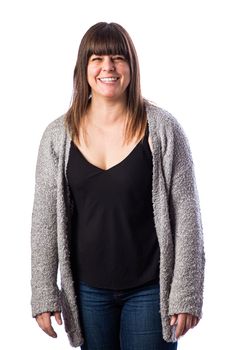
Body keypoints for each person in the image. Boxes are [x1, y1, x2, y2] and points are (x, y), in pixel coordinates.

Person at [30, 22, 205, 350]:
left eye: (117, 57)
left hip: (151, 291)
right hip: (88, 293)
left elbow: (187, 217)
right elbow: (44, 220)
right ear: (84, 68)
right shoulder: (57, 136)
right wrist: (43, 291)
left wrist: (186, 293)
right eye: (96, 58)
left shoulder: (163, 129)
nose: (107, 67)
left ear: (131, 67)